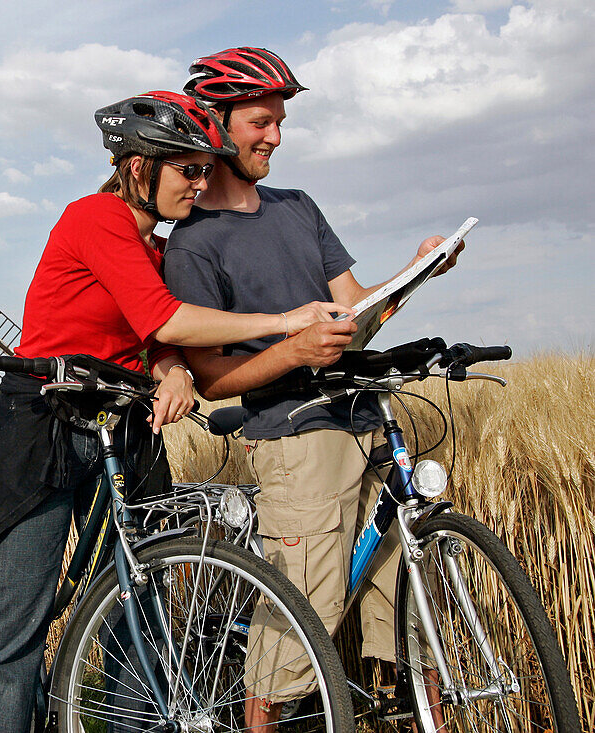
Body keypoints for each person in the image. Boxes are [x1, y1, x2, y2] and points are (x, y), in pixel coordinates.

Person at [0, 90, 351, 733]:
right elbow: (166, 317)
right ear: (139, 168)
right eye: (187, 169)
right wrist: (286, 320)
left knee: (138, 605)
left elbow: (155, 336)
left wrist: (167, 368)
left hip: (122, 426)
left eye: (204, 168)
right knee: (13, 626)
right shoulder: (95, 218)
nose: (200, 181)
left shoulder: (154, 249)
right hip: (45, 424)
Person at [164, 47, 460, 729]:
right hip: (293, 436)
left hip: (363, 417)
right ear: (214, 122)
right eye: (260, 122)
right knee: (302, 614)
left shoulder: (298, 208)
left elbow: (355, 312)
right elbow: (210, 379)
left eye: (279, 122)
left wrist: (416, 273)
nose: (274, 136)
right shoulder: (193, 244)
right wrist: (293, 348)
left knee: (406, 595)